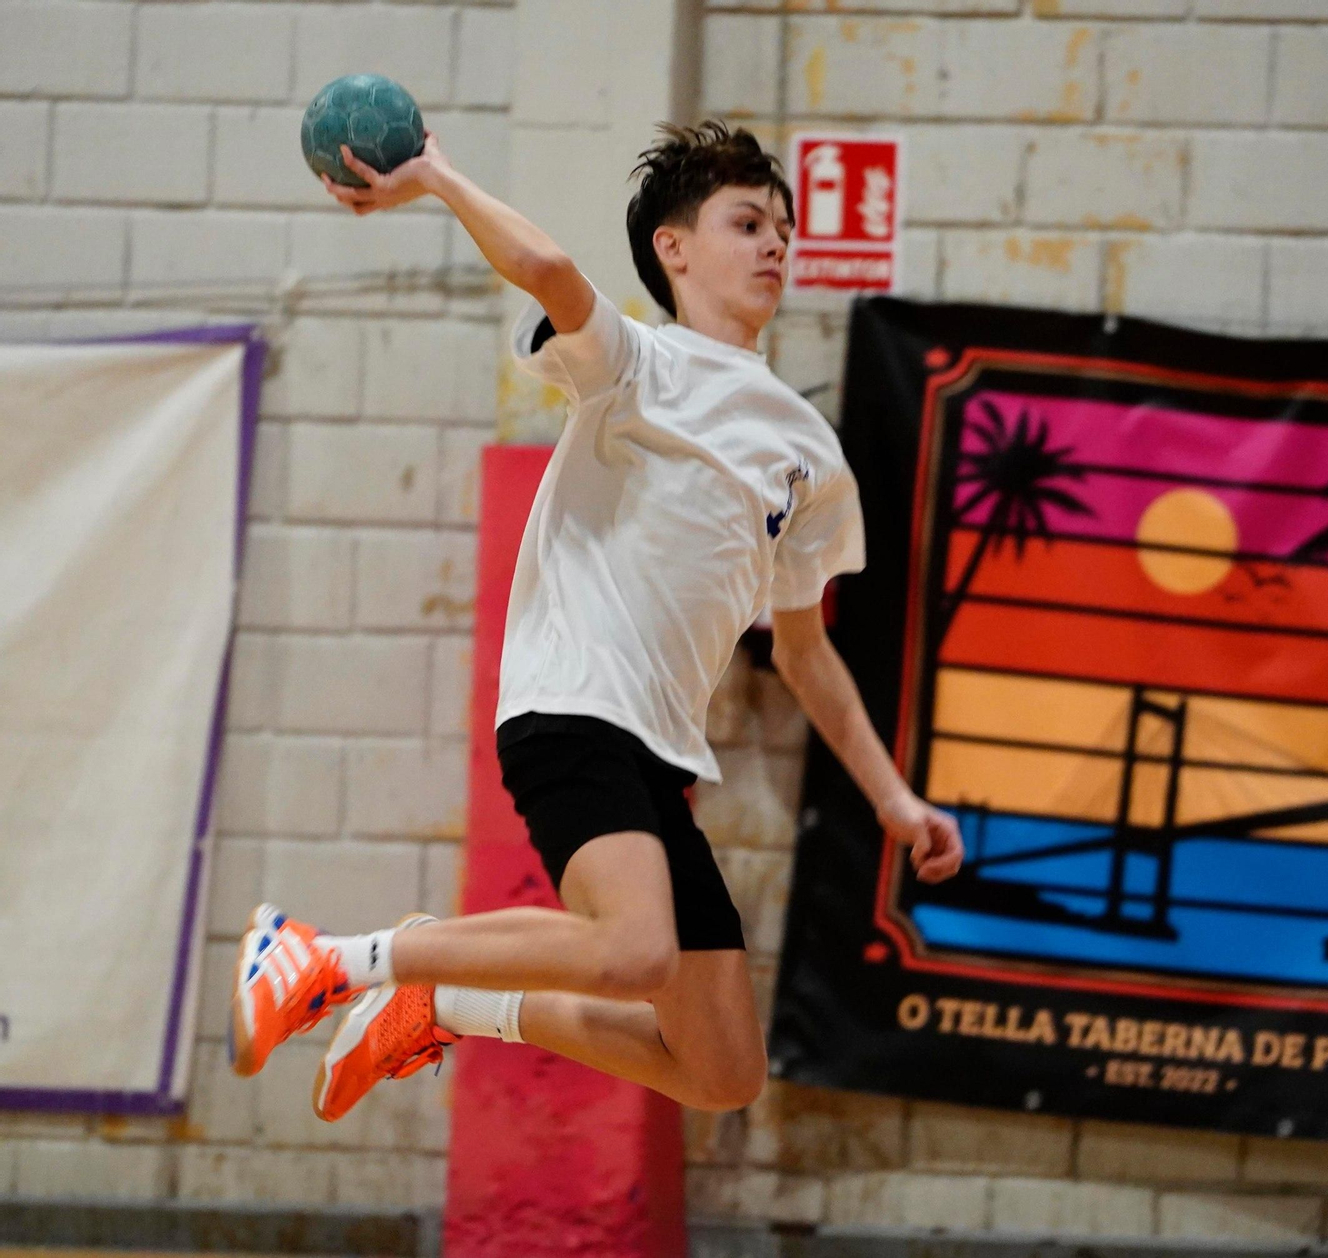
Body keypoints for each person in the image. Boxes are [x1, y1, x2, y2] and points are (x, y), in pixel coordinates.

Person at [229, 120, 964, 1120]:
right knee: (632, 949)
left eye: (782, 229)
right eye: (746, 222)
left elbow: (804, 651)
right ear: (674, 248)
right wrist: (435, 178)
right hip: (569, 700)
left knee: (720, 1069)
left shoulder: (806, 449)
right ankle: (322, 958)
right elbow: (548, 266)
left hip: (659, 749)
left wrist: (894, 801)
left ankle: (443, 1002)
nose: (774, 245)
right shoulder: (633, 364)